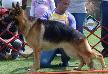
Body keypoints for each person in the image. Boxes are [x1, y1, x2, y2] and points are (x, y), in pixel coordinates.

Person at [41, 0, 76, 66]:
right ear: (58, 2)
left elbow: (72, 33)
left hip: (64, 44)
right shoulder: (48, 14)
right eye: (64, 4)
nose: (66, 6)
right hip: (50, 44)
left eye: (68, 4)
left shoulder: (70, 17)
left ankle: (65, 62)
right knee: (43, 63)